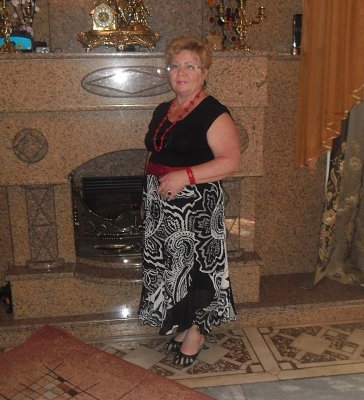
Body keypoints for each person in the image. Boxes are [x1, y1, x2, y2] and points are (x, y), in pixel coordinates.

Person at [139, 36, 240, 367]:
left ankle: (198, 330)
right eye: (175, 66)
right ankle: (184, 323)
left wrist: (185, 176)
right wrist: (148, 197)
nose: (181, 72)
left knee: (197, 269)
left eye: (190, 66)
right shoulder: (163, 110)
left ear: (204, 72)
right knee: (174, 268)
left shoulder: (214, 112)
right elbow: (156, 153)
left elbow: (230, 161)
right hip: (162, 203)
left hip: (196, 205)